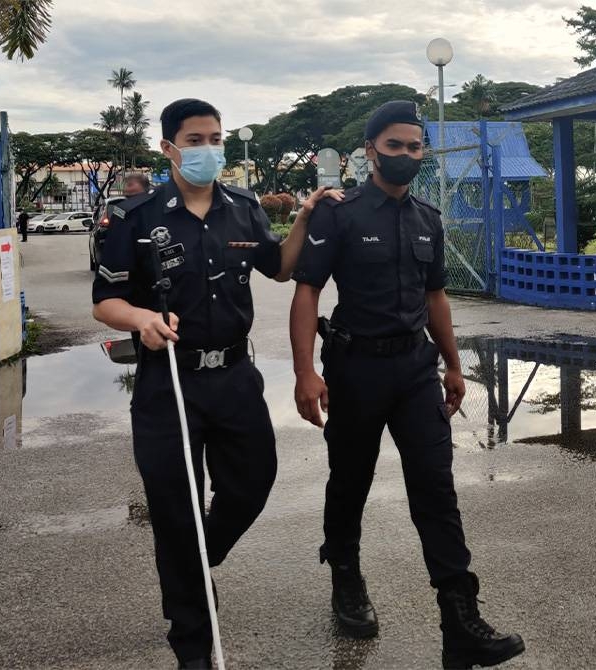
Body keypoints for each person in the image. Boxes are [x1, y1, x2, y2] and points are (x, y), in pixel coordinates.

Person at [92, 98, 340, 669]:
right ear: (170, 148)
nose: (208, 149)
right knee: (176, 509)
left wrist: (302, 218)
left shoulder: (244, 209)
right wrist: (142, 321)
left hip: (232, 376)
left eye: (215, 138)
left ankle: (197, 561)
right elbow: (106, 301)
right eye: (196, 139)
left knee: (253, 482)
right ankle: (193, 643)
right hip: (167, 385)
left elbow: (278, 267)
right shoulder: (137, 218)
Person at [290, 100, 525, 669]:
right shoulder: (338, 215)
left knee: (436, 491)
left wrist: (452, 364)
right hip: (355, 369)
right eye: (393, 146)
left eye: (415, 147)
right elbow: (306, 294)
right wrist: (305, 373)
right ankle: (345, 578)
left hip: (416, 371)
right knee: (350, 481)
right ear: (370, 151)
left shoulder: (427, 218)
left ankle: (459, 618)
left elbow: (436, 297)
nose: (405, 156)